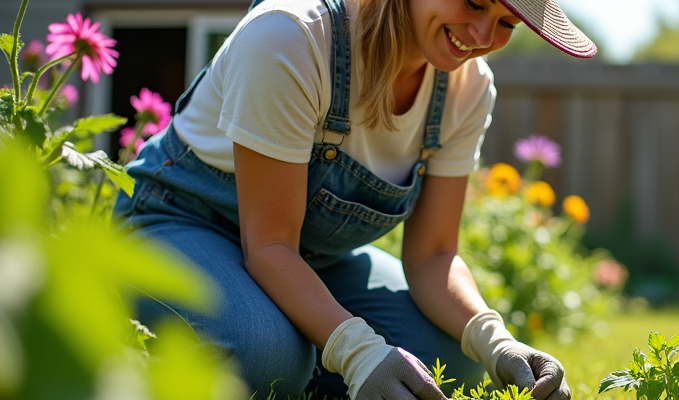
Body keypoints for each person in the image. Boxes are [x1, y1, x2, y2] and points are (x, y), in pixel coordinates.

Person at [113, 0, 596, 397]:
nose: (482, 35)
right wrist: (358, 351)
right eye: (473, 2)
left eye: (506, 22)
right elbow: (270, 244)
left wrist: (497, 343)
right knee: (268, 357)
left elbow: (433, 254)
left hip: (305, 255)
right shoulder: (290, 38)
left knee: (450, 358)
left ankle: (305, 365)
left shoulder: (468, 88)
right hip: (179, 222)